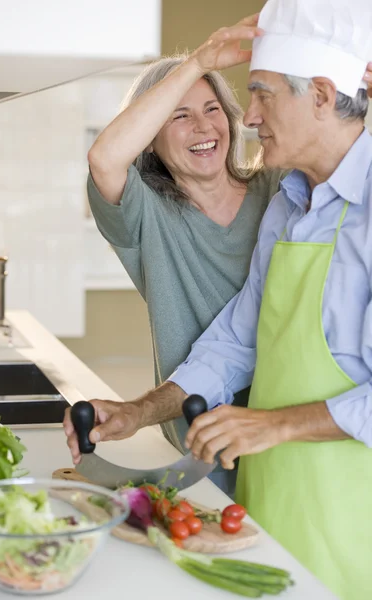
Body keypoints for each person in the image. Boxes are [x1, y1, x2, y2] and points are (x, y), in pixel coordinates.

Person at [65, 0, 372, 597]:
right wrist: (139, 411)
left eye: (260, 93)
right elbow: (236, 338)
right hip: (268, 497)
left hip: (353, 513)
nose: (248, 116)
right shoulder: (287, 201)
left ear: (319, 95)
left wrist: (271, 425)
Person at [85, 14, 286, 496]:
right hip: (200, 445)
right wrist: (199, 60)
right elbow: (105, 158)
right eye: (179, 114)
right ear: (151, 135)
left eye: (213, 108)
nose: (203, 126)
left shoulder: (278, 189)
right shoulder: (144, 217)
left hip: (286, 432)